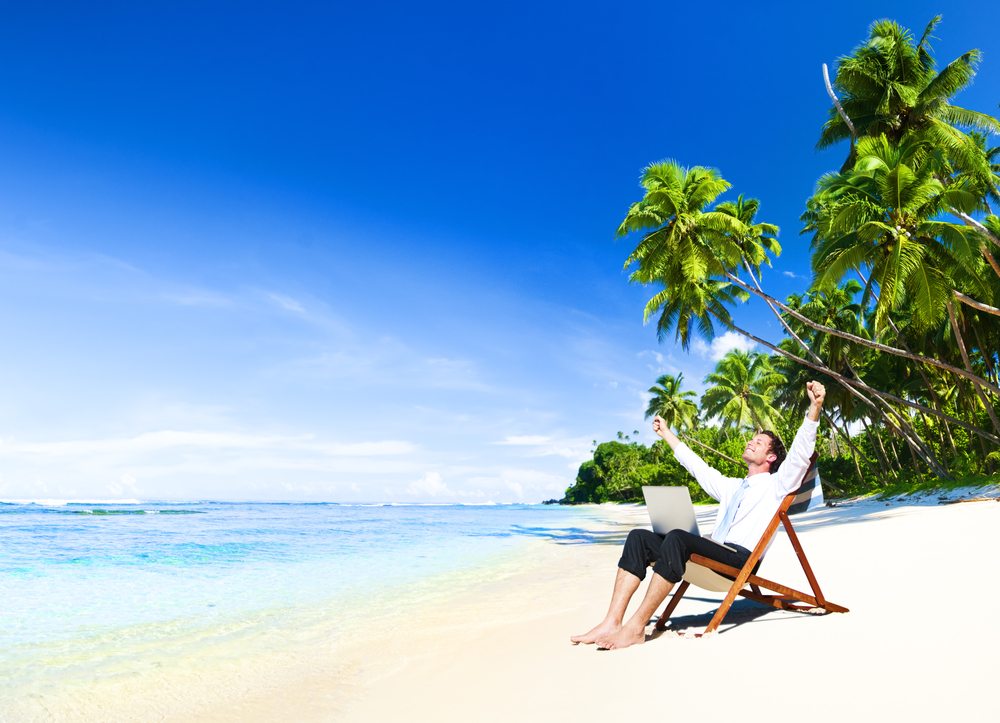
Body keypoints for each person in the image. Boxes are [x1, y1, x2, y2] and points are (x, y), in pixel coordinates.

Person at [570, 380, 826, 650]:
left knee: (678, 539)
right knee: (639, 538)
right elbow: (698, 467)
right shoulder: (732, 487)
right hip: (714, 552)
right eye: (752, 439)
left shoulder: (777, 485)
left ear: (772, 457)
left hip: (738, 560)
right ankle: (612, 621)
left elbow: (800, 455)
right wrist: (667, 434)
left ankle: (635, 628)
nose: (751, 442)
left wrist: (815, 407)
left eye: (758, 442)